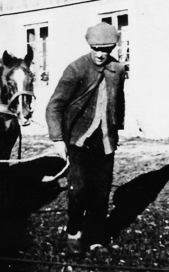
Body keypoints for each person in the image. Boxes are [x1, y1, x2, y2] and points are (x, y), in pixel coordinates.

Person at [46, 22, 125, 253]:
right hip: (78, 140)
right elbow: (55, 106)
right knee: (79, 189)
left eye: (106, 50)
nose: (101, 54)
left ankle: (96, 237)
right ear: (90, 46)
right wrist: (57, 140)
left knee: (101, 192)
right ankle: (73, 233)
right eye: (97, 49)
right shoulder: (76, 69)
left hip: (105, 140)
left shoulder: (118, 69)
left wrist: (116, 127)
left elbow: (119, 100)